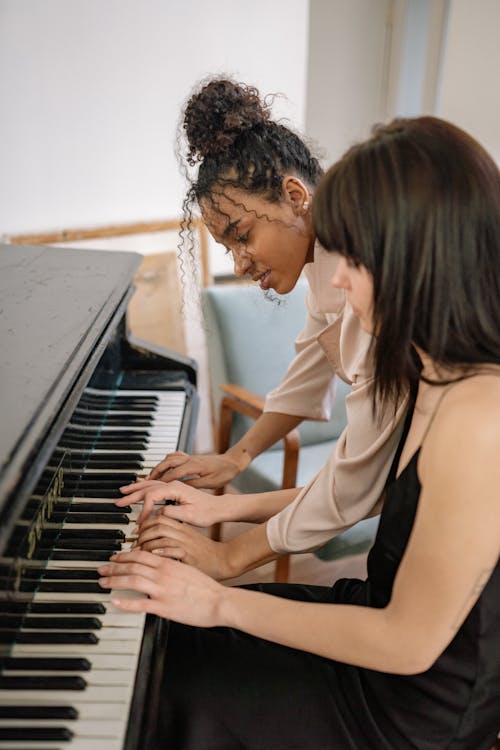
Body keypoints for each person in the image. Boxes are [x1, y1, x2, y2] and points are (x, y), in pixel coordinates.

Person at [99, 116, 500, 749]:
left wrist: (223, 589)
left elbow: (408, 640)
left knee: (172, 690)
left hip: (413, 707)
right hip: (378, 621)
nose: (335, 278)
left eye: (355, 257)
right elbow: (374, 487)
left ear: (417, 256)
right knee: (170, 646)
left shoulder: (479, 416)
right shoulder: (432, 371)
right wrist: (230, 492)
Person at [117, 76, 408, 561]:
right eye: (227, 248)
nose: (239, 264)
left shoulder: (364, 288)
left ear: (295, 196)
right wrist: (237, 457)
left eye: (243, 235)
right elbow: (307, 375)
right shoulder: (325, 263)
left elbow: (353, 488)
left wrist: (227, 556)